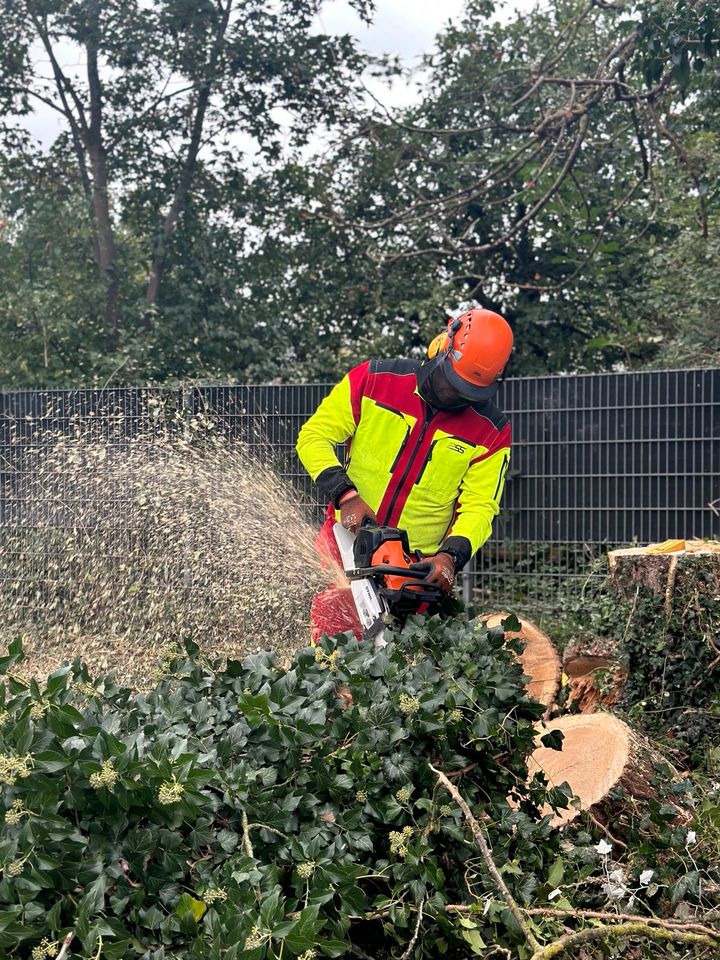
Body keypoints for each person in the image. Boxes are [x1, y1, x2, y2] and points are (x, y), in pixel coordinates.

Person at [296, 308, 513, 640]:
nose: (454, 397)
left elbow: (480, 506)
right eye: (451, 383)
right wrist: (346, 495)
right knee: (329, 656)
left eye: (467, 393)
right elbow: (313, 438)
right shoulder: (375, 379)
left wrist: (449, 557)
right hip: (346, 544)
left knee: (402, 670)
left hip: (415, 567)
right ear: (442, 345)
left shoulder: (491, 430)